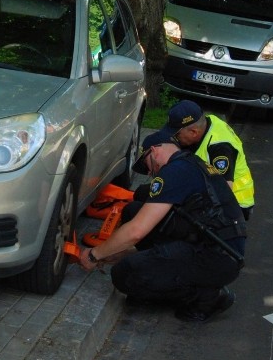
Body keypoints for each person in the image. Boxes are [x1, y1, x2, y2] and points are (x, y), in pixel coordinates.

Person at [79, 127, 246, 322]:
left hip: (216, 256)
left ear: (155, 151)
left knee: (125, 274)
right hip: (216, 245)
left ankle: (206, 297)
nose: (150, 173)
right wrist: (121, 251)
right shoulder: (188, 164)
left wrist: (94, 254)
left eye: (148, 166)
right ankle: (179, 276)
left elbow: (136, 231)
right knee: (133, 210)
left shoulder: (175, 172)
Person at [167, 100, 255, 220]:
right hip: (218, 194)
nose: (174, 138)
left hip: (236, 204)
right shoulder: (207, 122)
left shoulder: (220, 148)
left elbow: (223, 191)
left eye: (177, 134)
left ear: (194, 132)